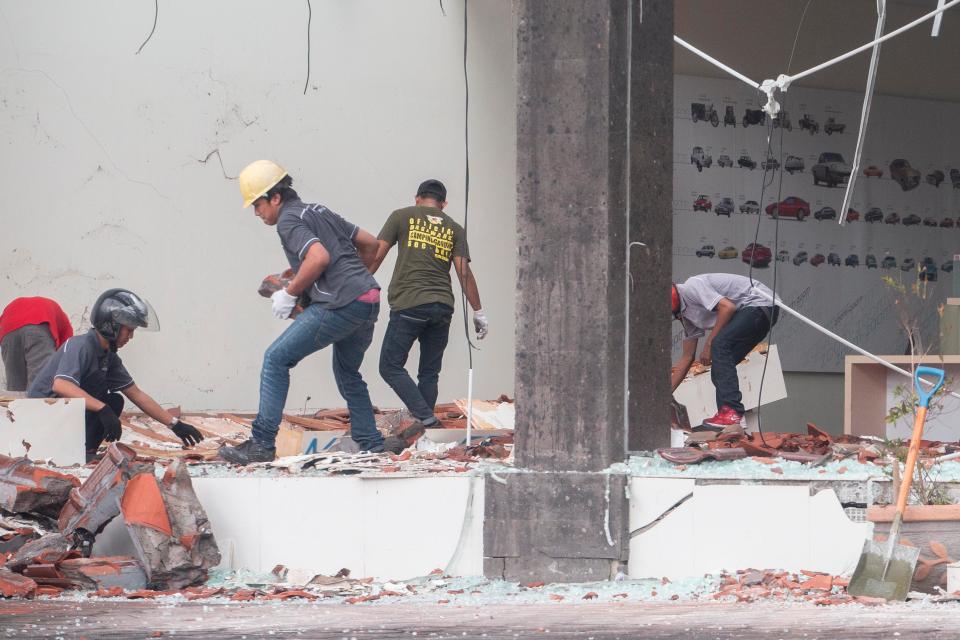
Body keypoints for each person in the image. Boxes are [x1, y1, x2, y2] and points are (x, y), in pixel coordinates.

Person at [219, 160, 415, 465]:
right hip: (369, 298)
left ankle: (261, 443)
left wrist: (290, 292)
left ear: (275, 197)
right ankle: (371, 443)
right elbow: (371, 244)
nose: (257, 213)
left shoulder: (287, 220)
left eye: (257, 204)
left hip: (343, 305)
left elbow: (318, 257)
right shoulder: (318, 210)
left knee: (275, 359)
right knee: (347, 372)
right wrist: (352, 280)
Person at [27, 289, 204, 461]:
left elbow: (137, 394)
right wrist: (102, 409)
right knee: (106, 405)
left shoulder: (108, 357)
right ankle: (70, 452)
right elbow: (61, 385)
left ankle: (85, 452)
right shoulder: (79, 346)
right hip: (43, 418)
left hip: (65, 416)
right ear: (111, 325)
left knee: (114, 400)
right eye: (129, 330)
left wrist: (175, 424)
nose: (131, 337)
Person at [370, 179, 487, 429]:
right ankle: (423, 430)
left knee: (390, 366)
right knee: (429, 373)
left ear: (417, 198)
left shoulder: (402, 216)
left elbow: (377, 254)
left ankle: (426, 420)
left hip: (410, 303)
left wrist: (354, 288)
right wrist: (479, 311)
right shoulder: (454, 228)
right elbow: (463, 272)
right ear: (443, 204)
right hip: (443, 307)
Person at [670, 274, 779, 430]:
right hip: (757, 315)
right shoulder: (686, 316)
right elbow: (687, 358)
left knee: (719, 345)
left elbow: (727, 307)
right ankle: (732, 418)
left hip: (760, 303)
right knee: (720, 368)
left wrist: (708, 344)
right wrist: (665, 394)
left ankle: (732, 411)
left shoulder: (692, 286)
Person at [0, 297, 74, 391]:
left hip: (7, 326)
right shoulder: (67, 328)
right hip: (38, 321)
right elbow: (65, 356)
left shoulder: (54, 312)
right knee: (40, 384)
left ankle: (18, 406)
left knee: (16, 386)